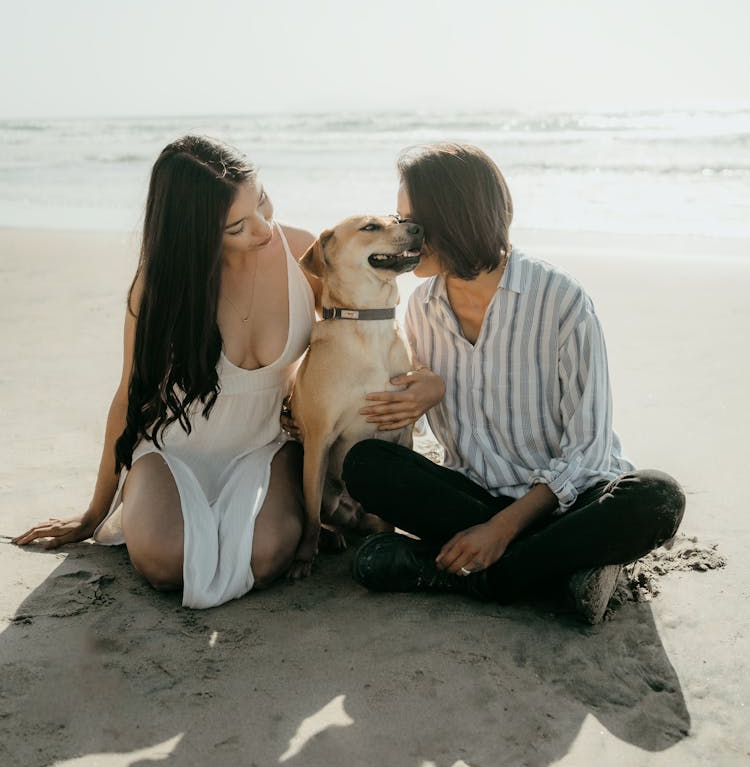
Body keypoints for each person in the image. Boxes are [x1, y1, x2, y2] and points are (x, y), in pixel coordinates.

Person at [343, 142, 686, 623]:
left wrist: (502, 530)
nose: (404, 237)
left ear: (459, 218)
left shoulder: (561, 300)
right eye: (398, 221)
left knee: (657, 497)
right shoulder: (419, 307)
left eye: (414, 223)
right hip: (473, 498)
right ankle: (561, 566)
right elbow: (414, 412)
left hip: (565, 502)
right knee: (366, 465)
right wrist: (423, 395)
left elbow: (588, 452)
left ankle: (467, 572)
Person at [14, 136, 320, 608]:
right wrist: (93, 513)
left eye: (261, 200)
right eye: (235, 226)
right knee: (163, 561)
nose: (262, 228)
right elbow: (128, 396)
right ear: (196, 233)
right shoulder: (160, 287)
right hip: (174, 452)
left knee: (267, 555)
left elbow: (356, 334)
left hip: (263, 448)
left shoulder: (303, 254)